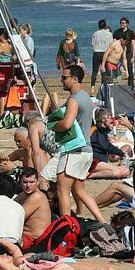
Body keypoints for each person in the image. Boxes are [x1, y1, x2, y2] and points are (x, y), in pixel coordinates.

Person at [46, 65, 105, 223]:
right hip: (86, 149)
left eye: (64, 77)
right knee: (79, 190)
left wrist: (52, 125)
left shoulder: (74, 99)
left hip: (74, 149)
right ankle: (102, 220)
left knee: (62, 189)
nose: (61, 80)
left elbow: (66, 124)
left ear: (75, 79)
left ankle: (66, 225)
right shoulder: (85, 96)